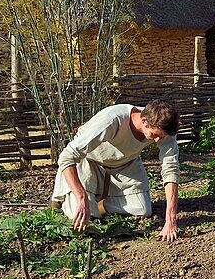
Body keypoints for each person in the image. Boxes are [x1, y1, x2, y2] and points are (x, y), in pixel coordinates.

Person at [50, 100, 182, 241]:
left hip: (126, 164)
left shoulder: (165, 127)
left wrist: (171, 219)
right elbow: (67, 156)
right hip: (90, 161)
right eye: (155, 135)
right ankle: (68, 195)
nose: (157, 141)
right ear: (144, 120)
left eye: (160, 137)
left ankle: (98, 202)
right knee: (77, 212)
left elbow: (170, 169)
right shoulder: (112, 120)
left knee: (142, 209)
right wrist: (81, 197)